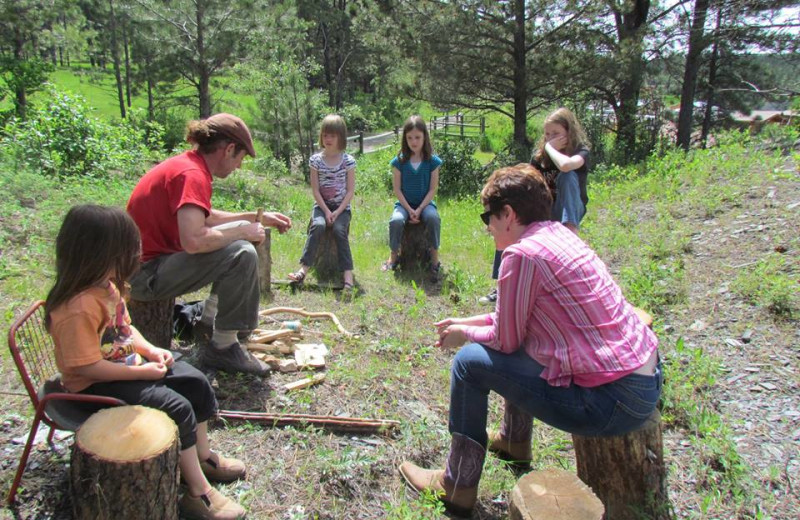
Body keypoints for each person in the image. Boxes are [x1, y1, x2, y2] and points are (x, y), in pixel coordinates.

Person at [398, 164, 660, 517]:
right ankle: (513, 441)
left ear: (508, 214)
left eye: (488, 216)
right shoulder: (558, 235)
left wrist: (463, 335)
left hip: (610, 401)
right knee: (517, 345)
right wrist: (465, 320)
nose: (487, 226)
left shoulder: (521, 255)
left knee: (468, 363)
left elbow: (505, 340)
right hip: (642, 382)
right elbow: (516, 319)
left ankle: (457, 485)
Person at [45, 205, 247, 520]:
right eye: (124, 254)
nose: (133, 260)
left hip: (126, 367)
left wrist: (151, 350)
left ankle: (203, 457)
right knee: (177, 407)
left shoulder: (105, 287)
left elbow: (125, 330)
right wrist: (140, 371)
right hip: (94, 384)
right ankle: (197, 491)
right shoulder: (78, 308)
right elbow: (85, 367)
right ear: (98, 255)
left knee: (196, 382)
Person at [127, 113, 291, 376]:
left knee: (239, 242)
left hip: (146, 268)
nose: (239, 166)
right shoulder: (192, 174)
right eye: (240, 158)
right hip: (144, 277)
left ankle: (209, 323)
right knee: (241, 252)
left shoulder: (189, 165)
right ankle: (224, 346)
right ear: (228, 149)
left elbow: (205, 217)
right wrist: (242, 232)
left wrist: (254, 219)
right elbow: (193, 241)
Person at [479, 107, 590, 305]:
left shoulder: (580, 151)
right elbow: (527, 184)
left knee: (567, 176)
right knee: (507, 222)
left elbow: (565, 166)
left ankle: (570, 231)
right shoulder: (539, 158)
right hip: (544, 209)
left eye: (555, 134)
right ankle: (502, 285)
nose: (549, 138)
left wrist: (550, 149)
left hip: (568, 208)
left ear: (569, 132)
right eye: (547, 134)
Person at [287, 114, 356, 291]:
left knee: (340, 230)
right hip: (322, 207)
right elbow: (315, 190)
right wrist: (326, 211)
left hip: (342, 208)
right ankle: (304, 268)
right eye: (325, 135)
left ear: (341, 137)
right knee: (317, 226)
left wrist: (338, 211)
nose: (328, 139)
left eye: (332, 135)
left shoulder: (348, 161)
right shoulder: (315, 161)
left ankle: (347, 274)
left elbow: (350, 191)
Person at [382, 115, 442, 276]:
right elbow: (397, 189)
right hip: (404, 204)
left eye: (417, 137)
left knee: (433, 218)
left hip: (425, 204)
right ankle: (393, 256)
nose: (414, 142)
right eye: (410, 138)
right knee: (395, 221)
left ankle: (434, 258)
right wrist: (409, 209)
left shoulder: (432, 161)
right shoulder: (399, 162)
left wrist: (420, 208)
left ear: (424, 137)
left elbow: (432, 189)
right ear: (405, 139)